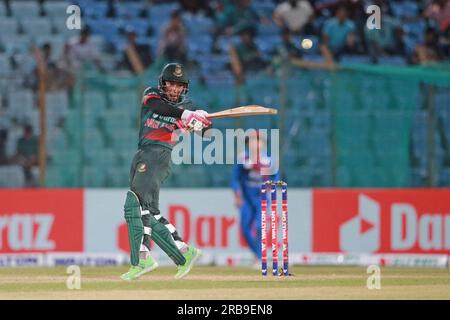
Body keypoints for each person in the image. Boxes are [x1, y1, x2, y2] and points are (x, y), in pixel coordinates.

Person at [121, 63, 211, 281]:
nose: (174, 89)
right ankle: (183, 253)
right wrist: (187, 114)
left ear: (184, 88)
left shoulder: (187, 106)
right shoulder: (151, 95)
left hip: (158, 155)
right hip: (144, 151)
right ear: (163, 83)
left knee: (135, 204)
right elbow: (160, 109)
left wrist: (200, 122)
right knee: (149, 211)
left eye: (179, 85)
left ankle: (142, 258)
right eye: (171, 83)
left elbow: (207, 133)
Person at [231, 132, 279, 264]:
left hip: (261, 198)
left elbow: (276, 178)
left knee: (260, 226)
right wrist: (237, 195)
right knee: (245, 229)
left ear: (263, 144)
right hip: (247, 198)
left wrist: (271, 185)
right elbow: (235, 179)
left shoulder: (268, 160)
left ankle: (259, 256)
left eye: (258, 141)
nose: (255, 144)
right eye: (252, 141)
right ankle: (257, 254)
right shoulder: (243, 159)